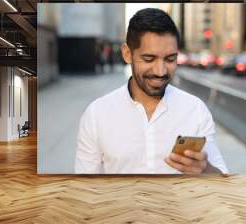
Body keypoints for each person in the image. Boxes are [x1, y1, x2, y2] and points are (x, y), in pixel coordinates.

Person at [75, 8, 228, 174]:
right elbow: (85, 188)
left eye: (170, 59)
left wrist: (205, 170)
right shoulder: (96, 115)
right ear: (127, 54)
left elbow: (223, 180)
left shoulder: (196, 110)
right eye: (149, 59)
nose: (160, 71)